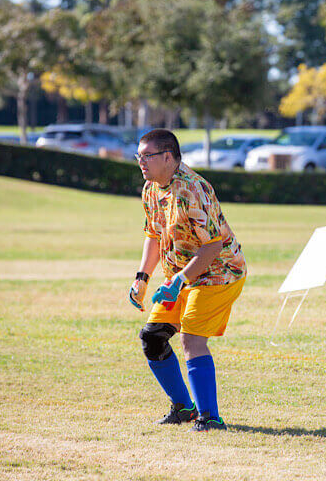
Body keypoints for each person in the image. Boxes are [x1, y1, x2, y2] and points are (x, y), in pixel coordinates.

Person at [128, 129, 246, 432]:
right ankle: (183, 408)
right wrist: (142, 277)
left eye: (147, 156)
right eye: (138, 156)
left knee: (192, 339)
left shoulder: (193, 189)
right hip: (181, 277)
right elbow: (153, 234)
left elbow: (213, 245)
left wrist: (180, 280)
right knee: (152, 339)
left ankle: (210, 417)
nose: (140, 161)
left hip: (219, 272)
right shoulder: (151, 188)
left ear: (168, 157)